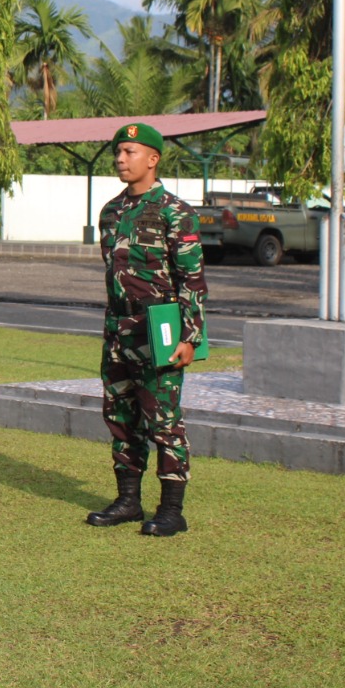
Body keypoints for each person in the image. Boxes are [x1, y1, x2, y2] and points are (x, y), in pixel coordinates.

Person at [85, 121, 207, 537]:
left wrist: (190, 337)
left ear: (153, 159)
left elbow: (191, 279)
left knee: (164, 420)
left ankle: (172, 510)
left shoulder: (175, 211)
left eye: (130, 152)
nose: (120, 159)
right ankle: (128, 501)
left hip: (159, 329)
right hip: (118, 328)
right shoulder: (111, 212)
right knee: (120, 415)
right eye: (118, 152)